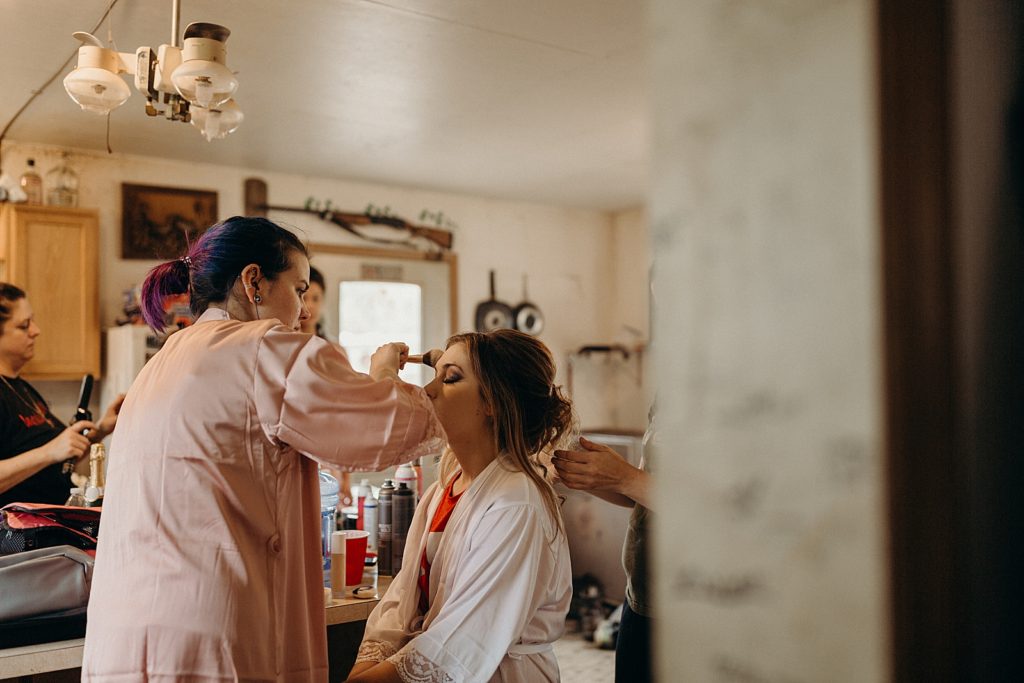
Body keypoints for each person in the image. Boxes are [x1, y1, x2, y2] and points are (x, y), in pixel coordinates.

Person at [81, 217, 444, 682]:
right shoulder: (265, 349)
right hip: (211, 629)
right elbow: (381, 428)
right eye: (298, 289)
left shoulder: (164, 361)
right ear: (254, 281)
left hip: (126, 636)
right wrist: (386, 378)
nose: (303, 311)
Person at [348, 328, 575, 683]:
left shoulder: (516, 505)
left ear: (492, 403)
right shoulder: (445, 489)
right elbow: (401, 601)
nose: (428, 391)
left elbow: (460, 643)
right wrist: (365, 669)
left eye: (451, 379)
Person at [0, 282, 123, 507]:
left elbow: (60, 460)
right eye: (24, 325)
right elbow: (51, 453)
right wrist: (49, 452)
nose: (35, 331)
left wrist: (101, 430)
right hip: (14, 536)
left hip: (49, 527)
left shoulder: (22, 389)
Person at [552, 422, 654, 683]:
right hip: (641, 596)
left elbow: (723, 511)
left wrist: (626, 477)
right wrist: (577, 472)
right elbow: (640, 494)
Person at [301, 265, 328, 340]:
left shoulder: (334, 349)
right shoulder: (283, 348)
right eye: (303, 298)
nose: (310, 305)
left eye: (315, 299)